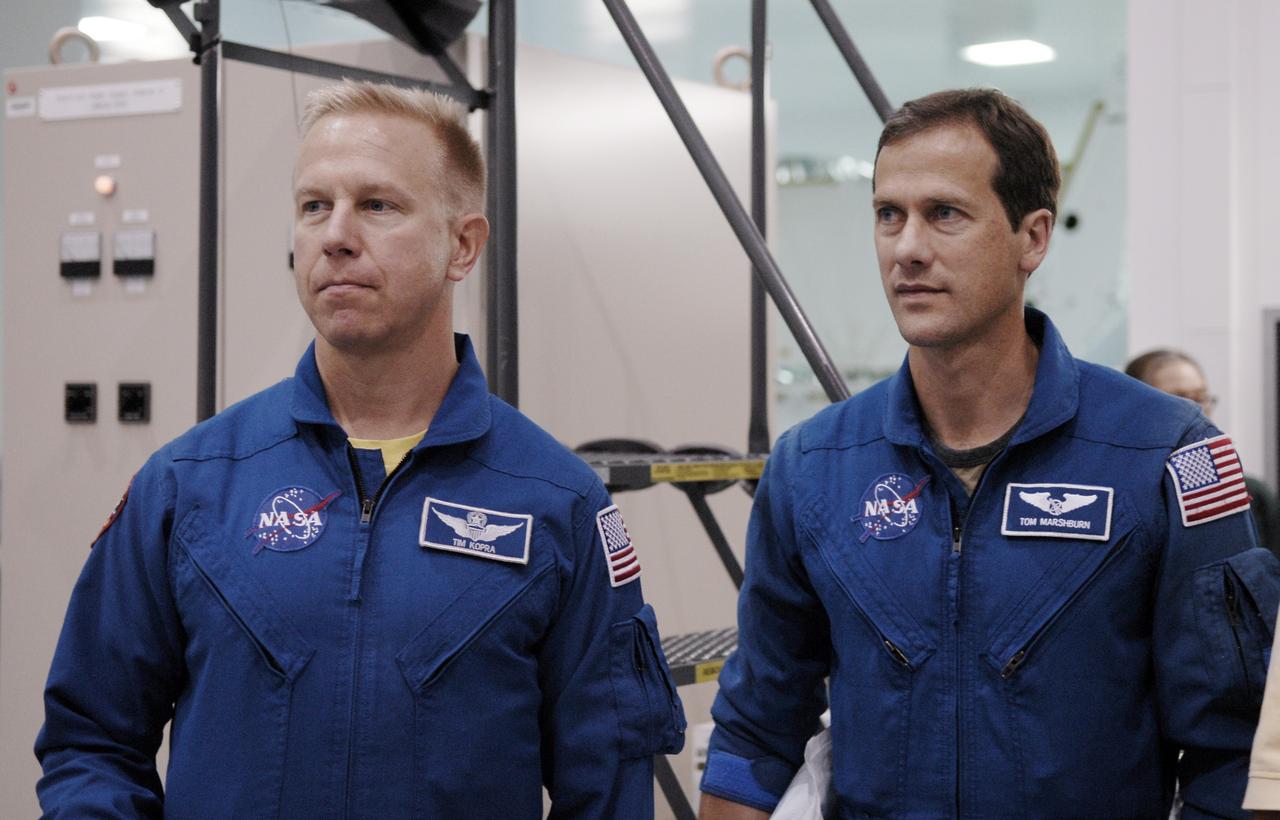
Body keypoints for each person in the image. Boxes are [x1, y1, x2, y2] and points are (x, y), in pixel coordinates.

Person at [35, 80, 685, 817]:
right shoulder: (190, 486)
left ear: (463, 245)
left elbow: (606, 786)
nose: (335, 235)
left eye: (377, 205)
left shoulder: (556, 504)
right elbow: (91, 741)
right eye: (314, 206)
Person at [697, 88, 1278, 818]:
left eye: (945, 213)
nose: (907, 248)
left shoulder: (1166, 451)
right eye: (888, 215)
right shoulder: (813, 466)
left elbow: (1235, 751)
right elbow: (757, 729)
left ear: (1032, 238)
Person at [1125, 348, 1280, 558]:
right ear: (1139, 407)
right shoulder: (1125, 494)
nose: (1197, 411)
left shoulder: (1250, 493)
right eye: (1179, 399)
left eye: (1201, 397)